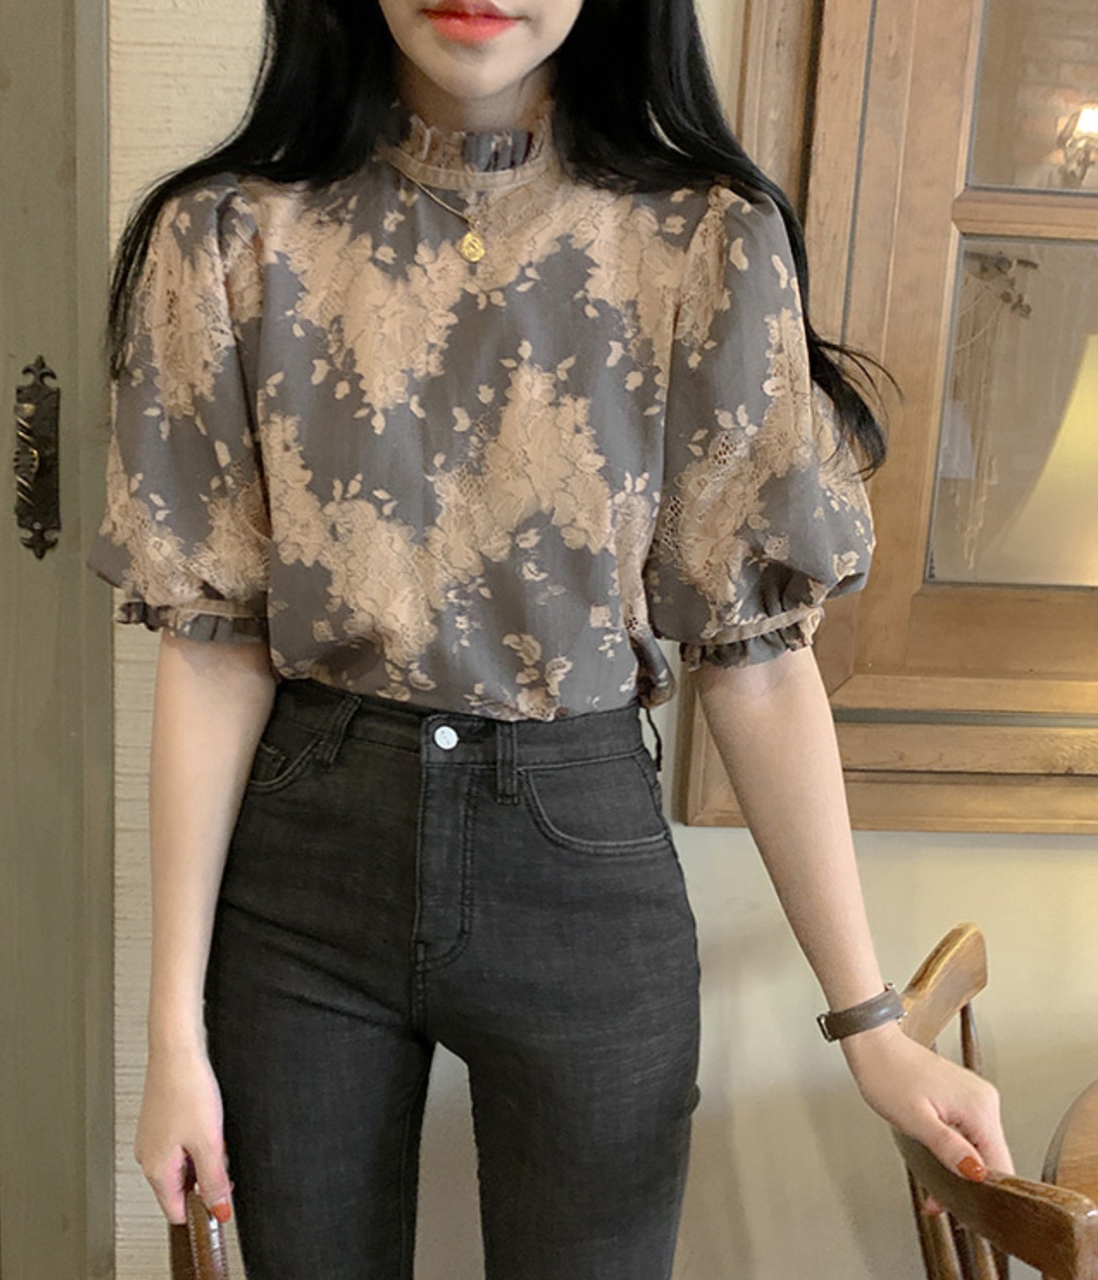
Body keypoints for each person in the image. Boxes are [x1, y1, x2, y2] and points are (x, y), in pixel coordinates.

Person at [88, 1, 1013, 1275]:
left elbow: (754, 662)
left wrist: (869, 1023)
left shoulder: (705, 242)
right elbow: (211, 647)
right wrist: (170, 1038)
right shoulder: (229, 236)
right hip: (304, 875)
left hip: (582, 860)